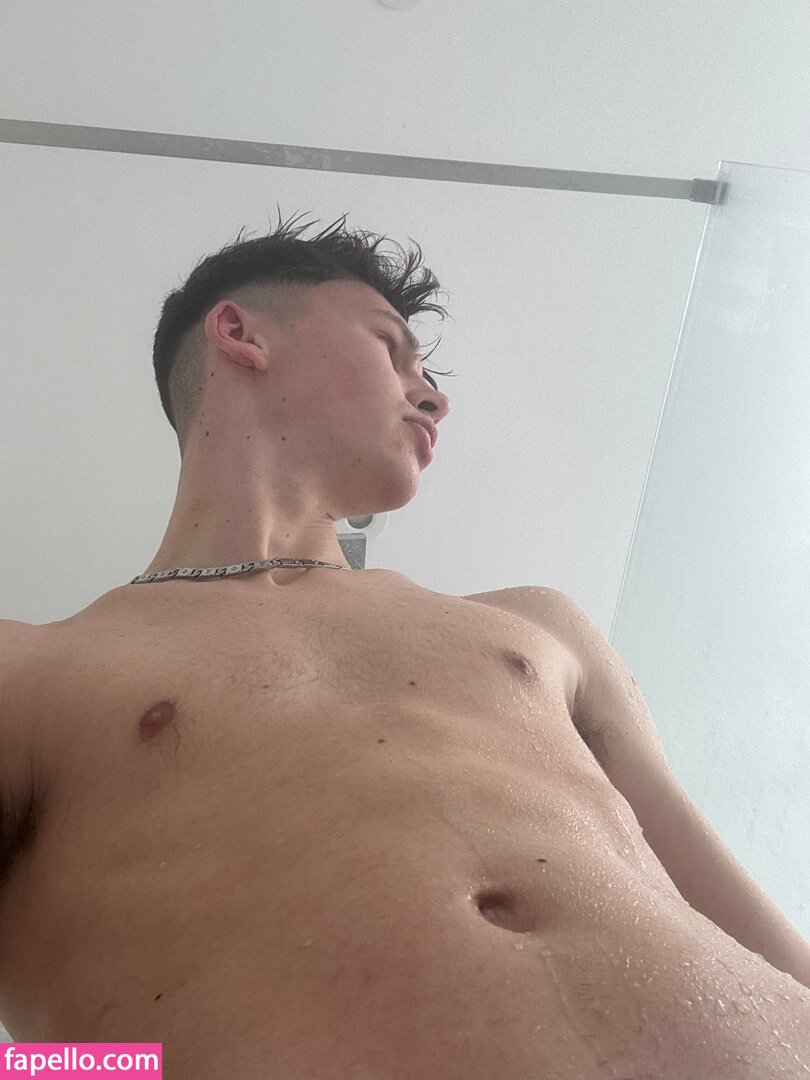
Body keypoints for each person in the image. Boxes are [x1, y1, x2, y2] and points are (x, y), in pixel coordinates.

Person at [1, 211, 808, 1079]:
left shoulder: (542, 624)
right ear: (240, 334)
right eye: (391, 348)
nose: (433, 397)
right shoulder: (31, 671)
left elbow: (734, 908)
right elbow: (43, 1064)